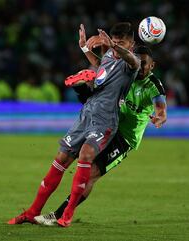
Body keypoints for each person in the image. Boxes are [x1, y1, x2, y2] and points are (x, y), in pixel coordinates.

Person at [7, 22, 140, 227]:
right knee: (60, 159)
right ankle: (32, 212)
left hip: (105, 120)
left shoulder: (131, 63)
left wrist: (112, 47)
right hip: (86, 115)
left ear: (131, 43)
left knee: (86, 154)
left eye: (121, 42)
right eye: (114, 40)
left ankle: (66, 215)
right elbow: (101, 69)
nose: (116, 44)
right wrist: (84, 48)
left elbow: (132, 61)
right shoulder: (108, 57)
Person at [34, 45, 167, 226]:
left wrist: (159, 118)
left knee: (91, 175)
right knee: (76, 162)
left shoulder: (153, 85)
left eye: (145, 64)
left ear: (153, 66)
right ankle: (53, 213)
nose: (141, 67)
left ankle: (59, 215)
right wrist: (85, 49)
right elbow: (101, 64)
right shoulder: (126, 74)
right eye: (139, 63)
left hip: (124, 138)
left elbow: (161, 108)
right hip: (106, 126)